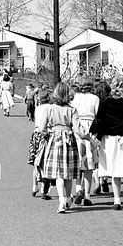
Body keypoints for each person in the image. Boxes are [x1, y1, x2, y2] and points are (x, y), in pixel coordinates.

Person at [90, 80, 123, 209]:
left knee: (114, 170)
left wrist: (96, 135)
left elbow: (99, 121)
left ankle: (116, 200)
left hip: (110, 138)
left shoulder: (106, 102)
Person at [34, 83, 80, 213]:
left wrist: (49, 134)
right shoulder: (72, 110)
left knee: (58, 174)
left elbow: (41, 128)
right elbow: (77, 129)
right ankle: (67, 199)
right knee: (68, 174)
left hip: (54, 139)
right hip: (69, 140)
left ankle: (61, 201)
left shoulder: (49, 109)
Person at [71, 81, 101, 206]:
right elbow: (98, 115)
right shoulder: (95, 98)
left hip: (77, 128)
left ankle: (78, 189)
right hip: (90, 129)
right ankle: (87, 195)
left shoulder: (75, 98)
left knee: (78, 163)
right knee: (89, 165)